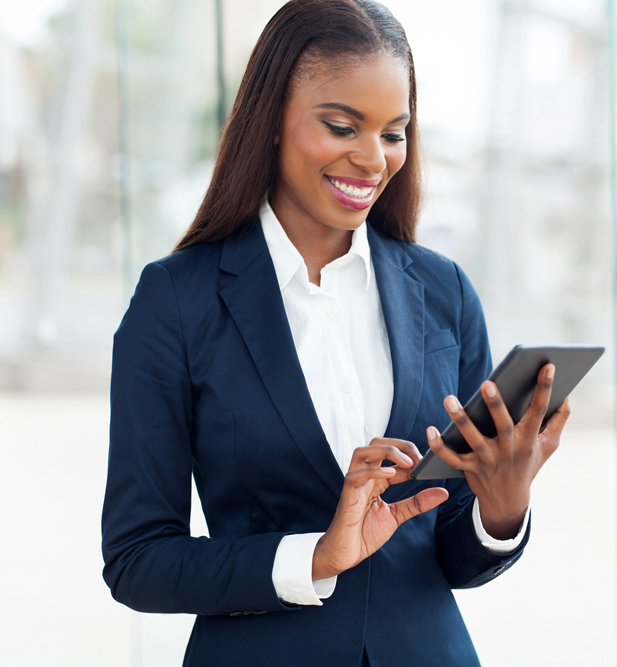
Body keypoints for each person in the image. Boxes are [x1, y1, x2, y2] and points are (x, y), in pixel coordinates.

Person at [100, 1, 570, 665]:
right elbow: (137, 558)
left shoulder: (445, 293)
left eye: (394, 133)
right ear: (271, 120)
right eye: (343, 126)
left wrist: (501, 509)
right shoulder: (176, 301)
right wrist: (314, 556)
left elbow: (453, 554)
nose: (373, 159)